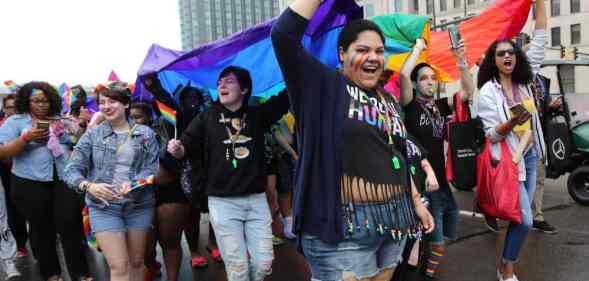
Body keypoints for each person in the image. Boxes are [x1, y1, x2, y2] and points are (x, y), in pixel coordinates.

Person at [271, 2, 434, 280]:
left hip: (394, 227)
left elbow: (397, 154)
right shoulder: (321, 86)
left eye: (379, 51)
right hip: (342, 235)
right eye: (362, 50)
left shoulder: (389, 100)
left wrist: (416, 203)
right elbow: (283, 36)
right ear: (342, 54)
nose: (373, 57)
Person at [168, 66, 290, 281]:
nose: (221, 85)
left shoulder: (257, 114)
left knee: (263, 264)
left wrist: (297, 68)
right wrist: (178, 150)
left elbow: (287, 97)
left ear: (244, 89)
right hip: (222, 203)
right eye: (219, 82)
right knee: (238, 267)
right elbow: (185, 145)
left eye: (229, 81)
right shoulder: (207, 117)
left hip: (256, 201)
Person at [476, 0, 548, 279]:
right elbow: (491, 135)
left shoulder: (526, 82)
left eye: (511, 52)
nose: (507, 56)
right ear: (493, 61)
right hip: (509, 160)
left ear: (516, 56)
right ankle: (507, 268)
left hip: (529, 157)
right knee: (526, 220)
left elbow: (541, 33)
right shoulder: (488, 93)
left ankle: (505, 264)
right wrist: (511, 122)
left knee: (520, 218)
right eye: (500, 53)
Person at [65, 81, 159, 281]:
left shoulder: (146, 133)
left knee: (136, 262)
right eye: (102, 102)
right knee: (118, 266)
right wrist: (89, 186)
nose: (106, 106)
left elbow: (152, 168)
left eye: (112, 101)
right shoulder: (93, 134)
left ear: (126, 104)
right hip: (104, 206)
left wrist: (135, 182)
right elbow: (71, 170)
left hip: (139, 205)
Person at [398, 35, 474, 279]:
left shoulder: (440, 107)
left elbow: (468, 92)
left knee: (447, 234)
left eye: (433, 78)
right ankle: (425, 276)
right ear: (415, 83)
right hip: (422, 181)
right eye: (424, 78)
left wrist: (460, 60)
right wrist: (418, 49)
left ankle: (422, 270)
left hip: (442, 183)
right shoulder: (410, 106)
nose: (430, 82)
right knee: (434, 239)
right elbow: (402, 76)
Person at [0, 82, 91, 281]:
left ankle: (81, 274)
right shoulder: (15, 121)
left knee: (71, 223)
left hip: (63, 178)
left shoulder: (60, 119)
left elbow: (78, 142)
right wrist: (25, 138)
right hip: (28, 182)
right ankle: (51, 274)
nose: (42, 105)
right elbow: (2, 152)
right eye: (36, 101)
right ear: (26, 101)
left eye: (46, 101)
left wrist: (79, 127)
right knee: (42, 228)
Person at [142, 75, 222, 266]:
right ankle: (194, 251)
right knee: (192, 214)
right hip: (188, 172)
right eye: (187, 98)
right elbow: (166, 103)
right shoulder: (175, 119)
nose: (191, 101)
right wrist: (154, 86)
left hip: (212, 169)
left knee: (215, 211)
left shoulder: (211, 114)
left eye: (195, 97)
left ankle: (212, 242)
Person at [0, 94, 29, 258]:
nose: (12, 110)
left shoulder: (24, 124)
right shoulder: (2, 126)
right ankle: (20, 243)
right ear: (4, 109)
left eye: (15, 107)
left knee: (30, 207)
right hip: (6, 172)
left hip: (25, 172)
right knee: (12, 208)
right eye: (9, 107)